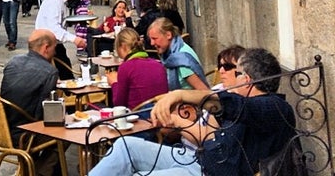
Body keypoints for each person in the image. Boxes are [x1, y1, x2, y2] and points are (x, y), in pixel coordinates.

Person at [89, 48, 296, 176]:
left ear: (247, 79)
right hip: (198, 160)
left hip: (211, 172)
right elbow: (212, 136)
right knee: (126, 146)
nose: (227, 74)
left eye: (236, 72)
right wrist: (177, 121)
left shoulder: (275, 107)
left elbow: (236, 106)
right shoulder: (242, 104)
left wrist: (181, 95)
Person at [0, 29, 60, 176]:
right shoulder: (49, 72)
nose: (55, 52)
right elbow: (42, 113)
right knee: (64, 134)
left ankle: (31, 169)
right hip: (24, 135)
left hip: (1, 127)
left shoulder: (13, 62)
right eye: (54, 48)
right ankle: (40, 172)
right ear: (46, 48)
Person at [35, 0, 87, 79]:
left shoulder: (60, 0)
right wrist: (74, 39)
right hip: (46, 44)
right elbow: (54, 28)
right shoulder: (55, 1)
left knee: (65, 74)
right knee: (62, 76)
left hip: (54, 44)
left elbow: (60, 22)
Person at [105, 27, 168, 109]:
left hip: (138, 115)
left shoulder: (126, 67)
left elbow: (119, 104)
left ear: (122, 47)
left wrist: (114, 83)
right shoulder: (158, 64)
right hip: (161, 112)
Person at [147, 17, 209, 90]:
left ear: (168, 35)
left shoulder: (181, 59)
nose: (152, 43)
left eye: (155, 38)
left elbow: (204, 91)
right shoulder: (174, 51)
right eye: (150, 39)